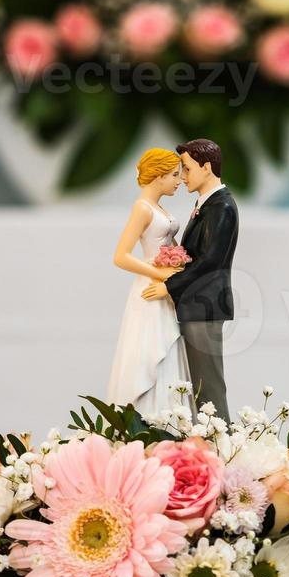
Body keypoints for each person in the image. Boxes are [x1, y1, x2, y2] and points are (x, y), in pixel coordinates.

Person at [142, 138, 238, 422]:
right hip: (195, 304)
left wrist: (169, 286)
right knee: (198, 385)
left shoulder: (222, 207)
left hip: (205, 306)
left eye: (186, 169)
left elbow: (209, 262)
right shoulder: (207, 205)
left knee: (208, 387)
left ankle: (221, 445)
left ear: (206, 168)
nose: (182, 177)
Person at [107, 148, 192, 417]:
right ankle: (147, 413)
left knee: (168, 343)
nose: (179, 181)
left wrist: (180, 263)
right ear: (158, 176)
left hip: (166, 289)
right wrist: (159, 273)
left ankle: (171, 416)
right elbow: (121, 257)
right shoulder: (142, 209)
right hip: (150, 289)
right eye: (174, 175)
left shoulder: (159, 208)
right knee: (149, 347)